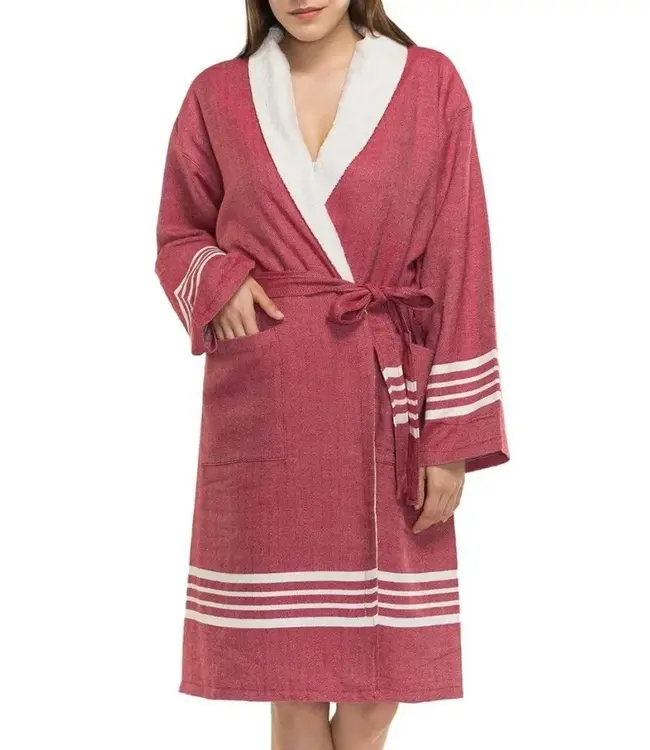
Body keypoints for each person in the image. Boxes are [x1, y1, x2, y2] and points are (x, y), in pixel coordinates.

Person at [155, 0, 510, 747]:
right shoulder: (217, 95)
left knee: (379, 690)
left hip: (389, 400)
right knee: (292, 685)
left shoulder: (429, 84)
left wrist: (451, 437)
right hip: (269, 399)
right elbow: (179, 230)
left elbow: (460, 256)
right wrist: (217, 279)